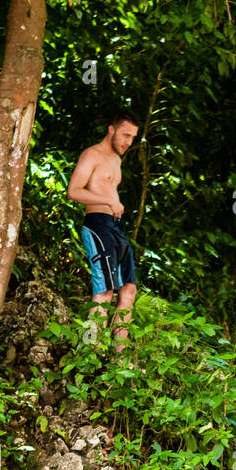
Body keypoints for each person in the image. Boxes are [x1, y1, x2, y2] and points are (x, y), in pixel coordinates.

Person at [67, 110, 140, 353]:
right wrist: (107, 202)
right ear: (111, 129)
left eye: (132, 137)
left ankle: (119, 357)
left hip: (115, 227)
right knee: (105, 291)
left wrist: (114, 206)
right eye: (125, 135)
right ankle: (90, 353)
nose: (128, 142)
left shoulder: (117, 161)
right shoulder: (92, 155)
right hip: (97, 224)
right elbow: (73, 191)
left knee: (129, 289)